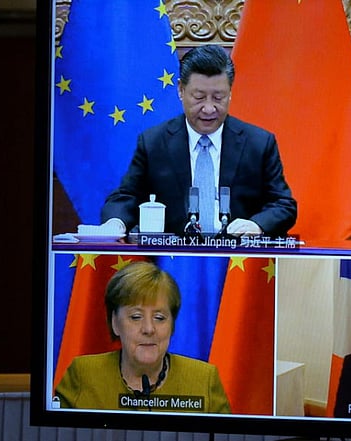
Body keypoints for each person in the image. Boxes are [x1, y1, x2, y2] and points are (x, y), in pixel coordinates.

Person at [100, 44, 297, 237]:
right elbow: (126, 198)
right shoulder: (154, 142)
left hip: (236, 261)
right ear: (180, 90)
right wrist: (116, 223)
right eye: (199, 97)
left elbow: (283, 205)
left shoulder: (258, 143)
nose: (209, 109)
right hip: (173, 261)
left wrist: (256, 225)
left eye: (218, 97)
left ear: (230, 92)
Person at [55, 261, 231, 413]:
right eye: (136, 317)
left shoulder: (204, 379)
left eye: (159, 318)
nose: (148, 329)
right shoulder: (83, 374)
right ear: (115, 322)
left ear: (172, 325)